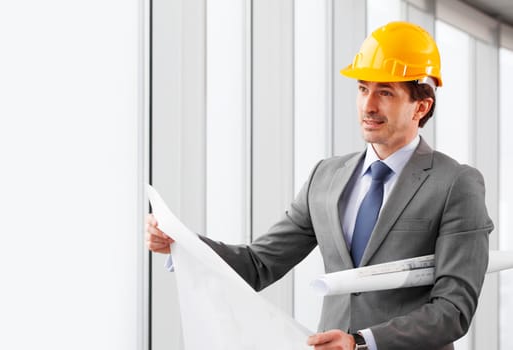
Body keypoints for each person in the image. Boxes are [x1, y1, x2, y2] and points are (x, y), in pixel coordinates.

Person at [146, 21, 493, 350]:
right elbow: (258, 264)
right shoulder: (326, 177)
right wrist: (184, 244)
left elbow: (454, 309)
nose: (367, 106)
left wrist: (361, 341)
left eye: (385, 92)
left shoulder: (455, 184)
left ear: (421, 106)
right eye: (362, 89)